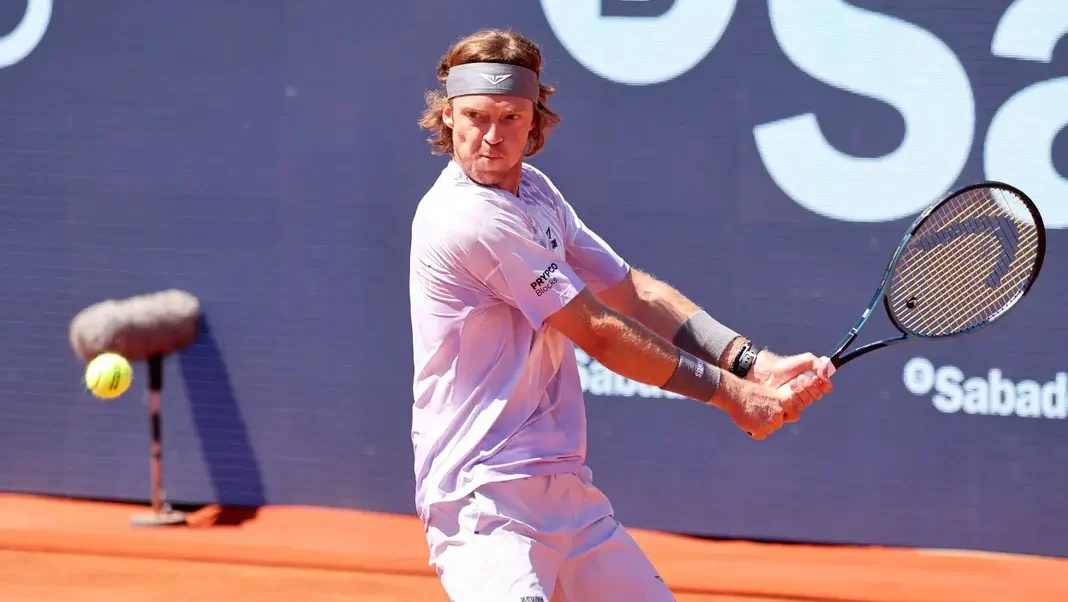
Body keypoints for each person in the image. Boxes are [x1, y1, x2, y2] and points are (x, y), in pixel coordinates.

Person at [410, 28, 835, 602]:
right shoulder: (469, 218)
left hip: (564, 491)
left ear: (534, 122)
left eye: (510, 117)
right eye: (475, 116)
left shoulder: (534, 191)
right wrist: (734, 397)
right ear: (449, 116)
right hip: (484, 499)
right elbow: (601, 333)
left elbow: (630, 291)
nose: (491, 136)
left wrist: (750, 362)